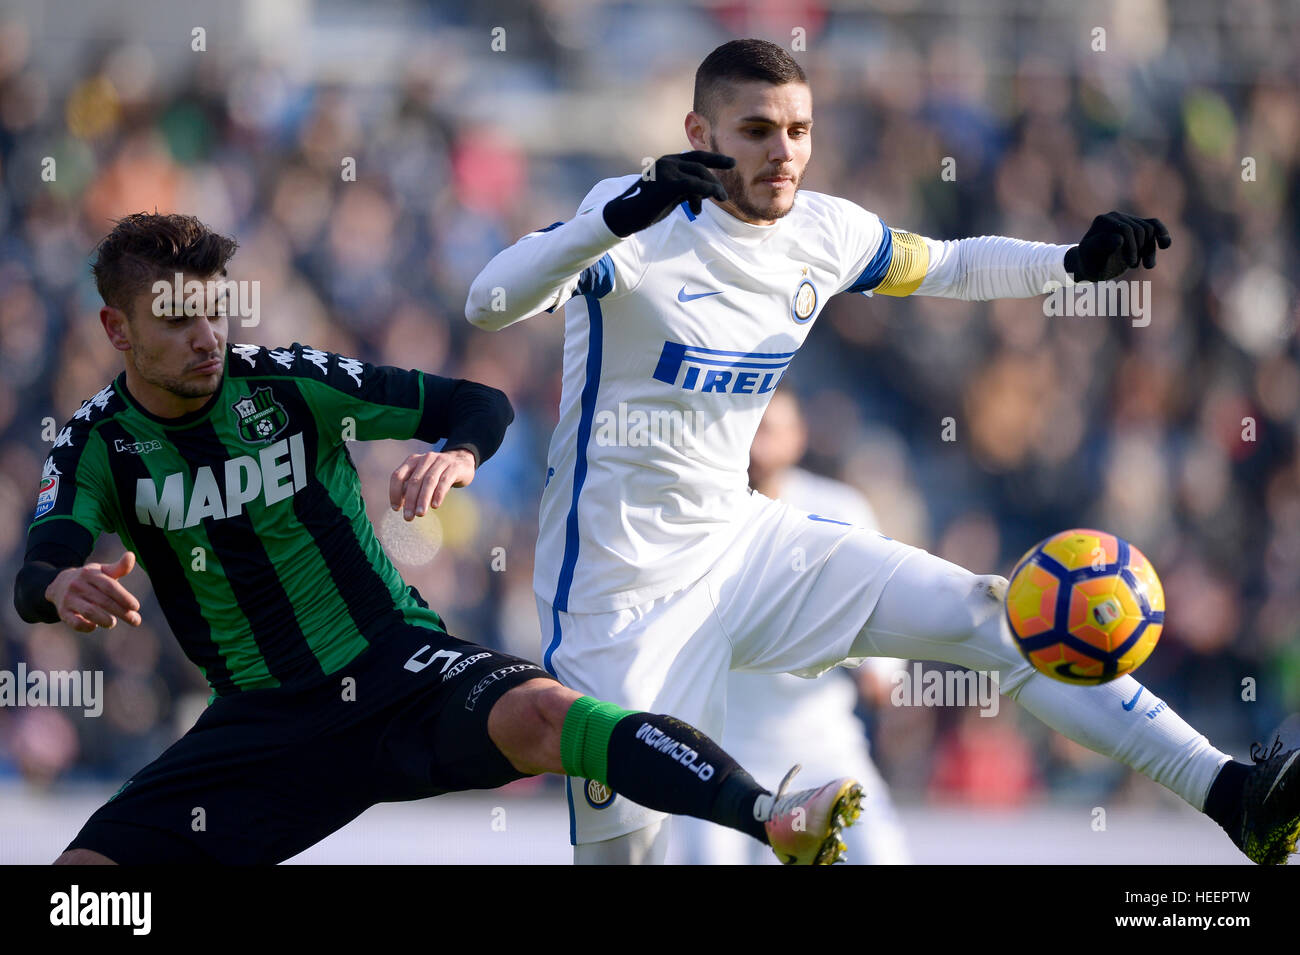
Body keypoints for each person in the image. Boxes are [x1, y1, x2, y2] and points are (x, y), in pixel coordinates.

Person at [465, 38, 1300, 865]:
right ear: (699, 131)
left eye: (798, 129)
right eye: (756, 129)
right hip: (620, 596)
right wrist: (615, 218)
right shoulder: (637, 220)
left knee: (993, 612)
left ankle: (1231, 795)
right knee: (626, 859)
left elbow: (952, 266)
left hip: (745, 545)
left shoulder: (823, 231)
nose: (782, 152)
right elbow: (489, 301)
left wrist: (1072, 265)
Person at [12, 212, 862, 865]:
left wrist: (457, 452)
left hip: (395, 668)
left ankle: (768, 813)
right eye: (177, 322)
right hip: (259, 724)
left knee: (545, 711)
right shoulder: (95, 442)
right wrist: (59, 587)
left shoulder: (287, 382)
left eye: (214, 312)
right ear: (117, 330)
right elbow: (39, 559)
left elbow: (476, 402)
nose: (207, 338)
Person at [672, 389, 910, 865]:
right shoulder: (691, 512)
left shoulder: (839, 508)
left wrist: (882, 673)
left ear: (797, 438)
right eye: (746, 431)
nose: (756, 447)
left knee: (883, 858)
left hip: (825, 746)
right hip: (723, 752)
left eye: (769, 430)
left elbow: (882, 596)